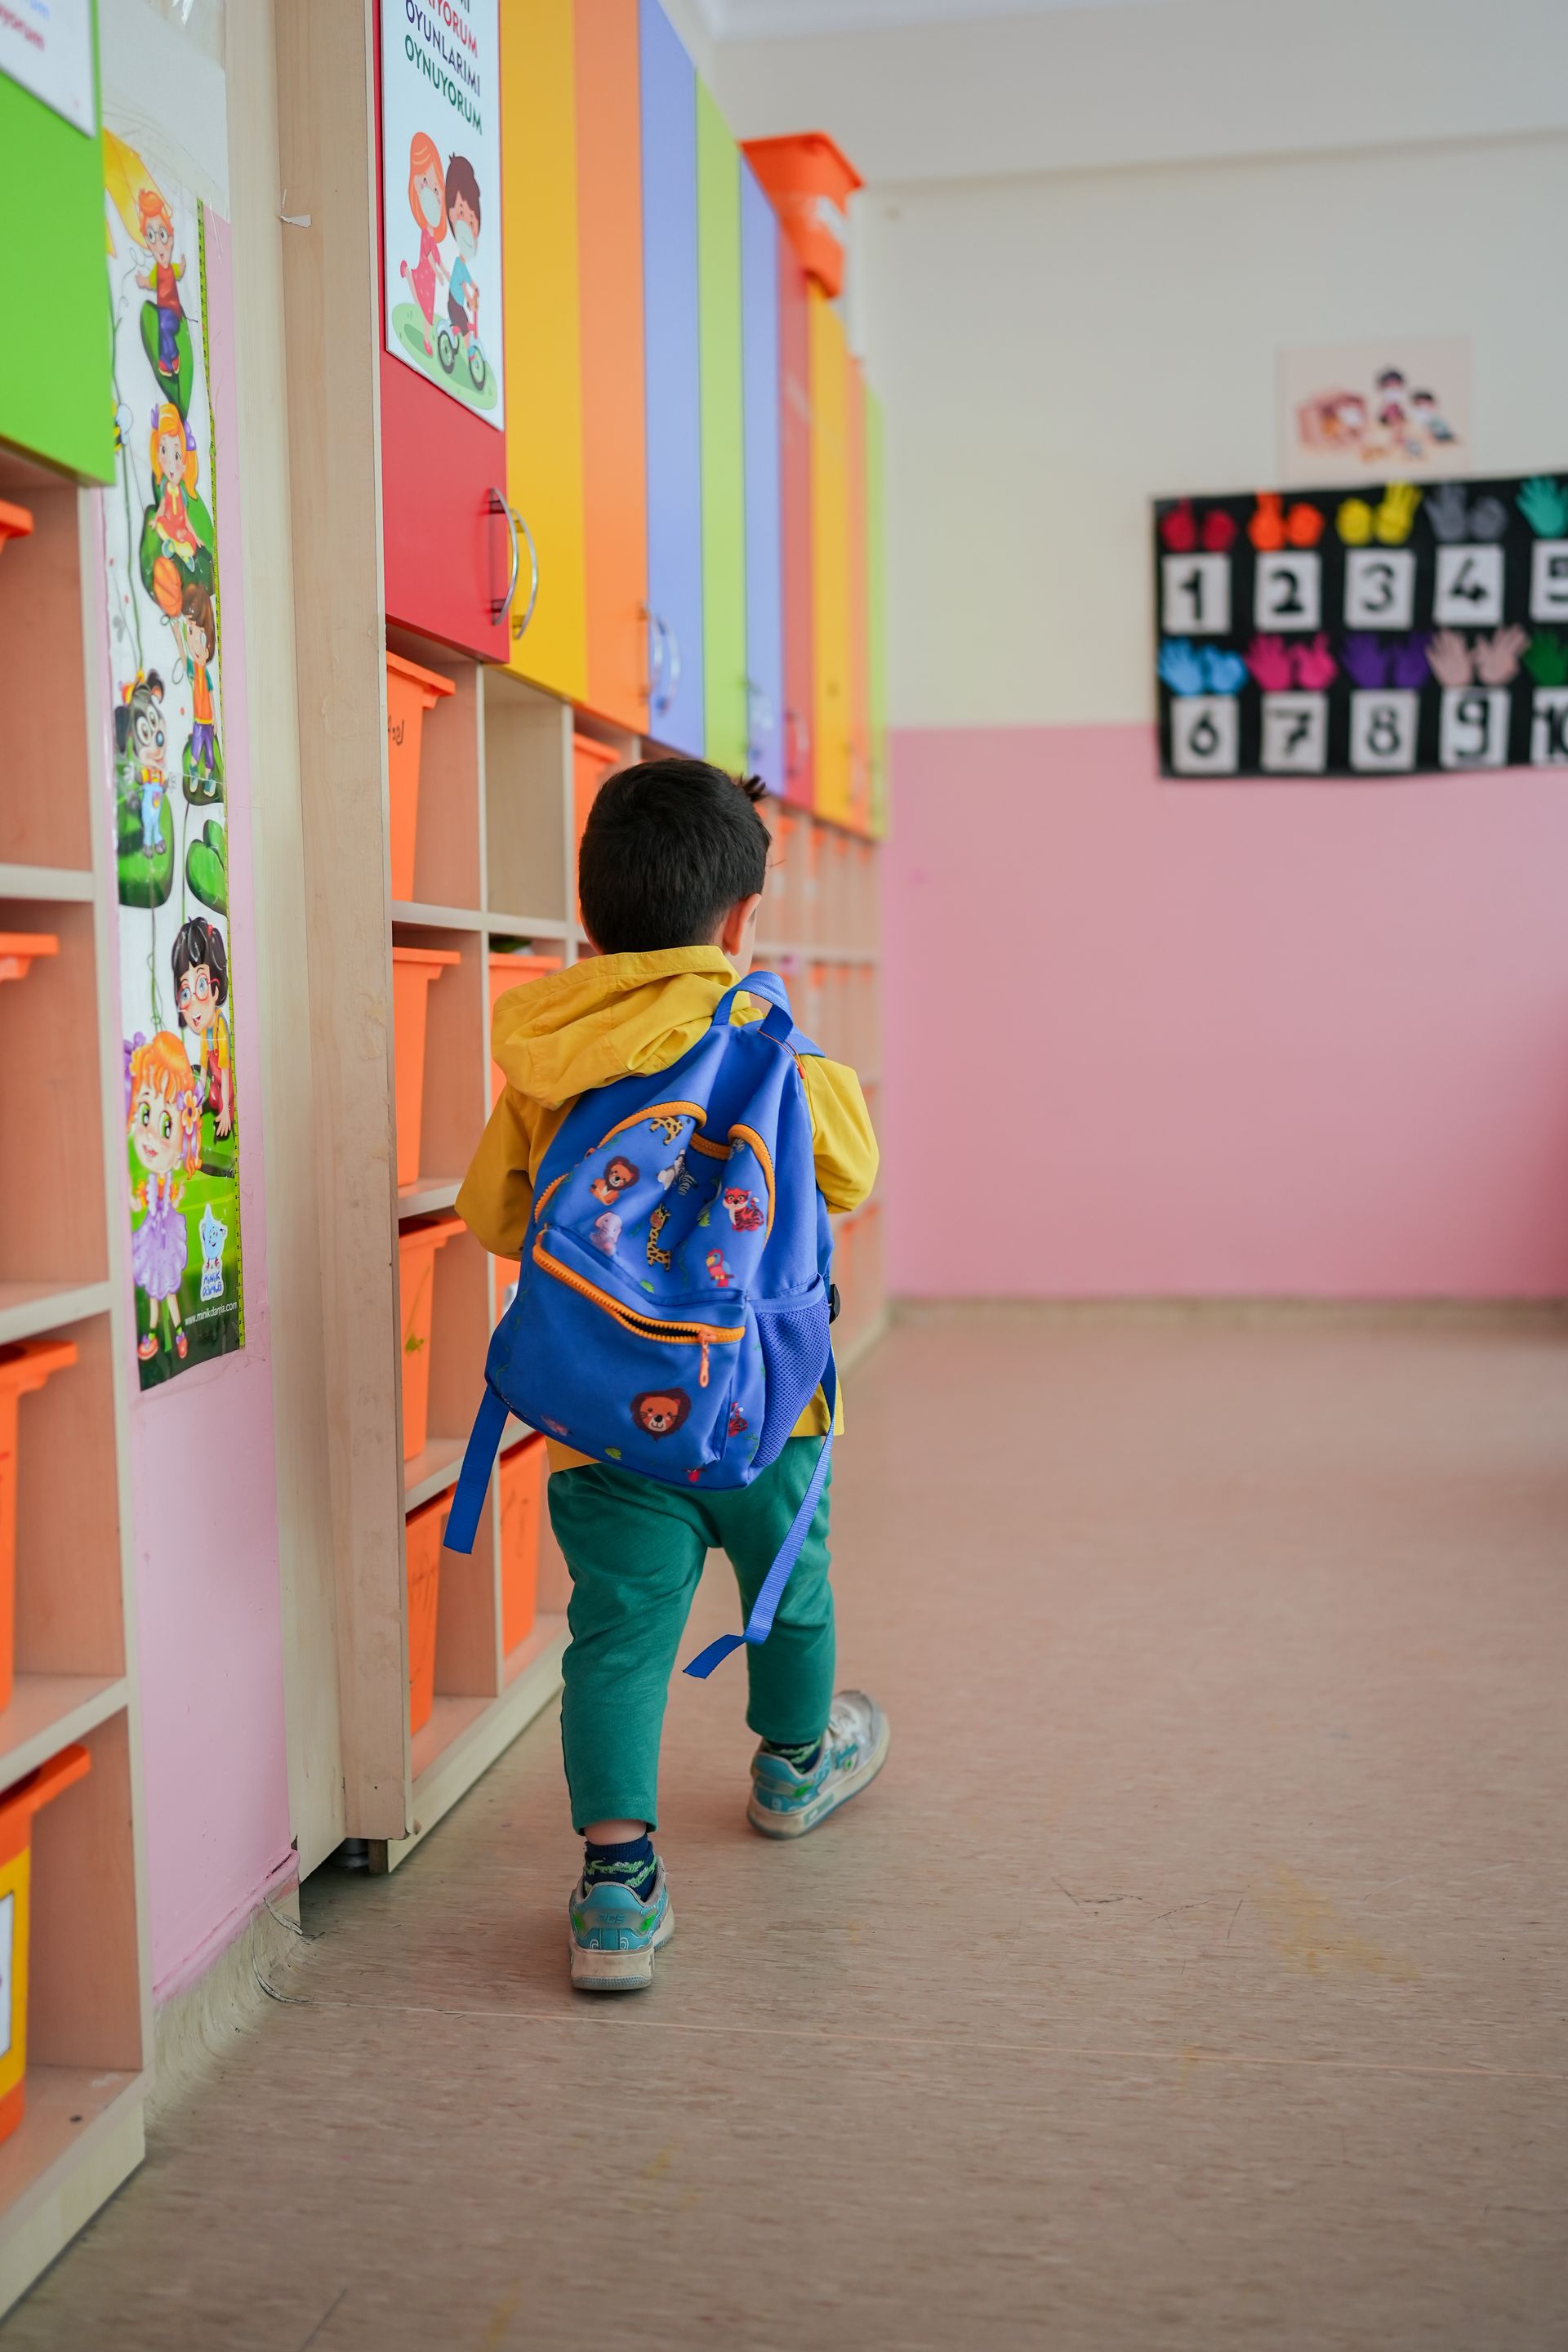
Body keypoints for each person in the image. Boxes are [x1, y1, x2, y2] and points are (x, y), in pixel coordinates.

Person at [456, 759, 886, 1993]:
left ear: (592, 917)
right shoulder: (774, 1042)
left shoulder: (552, 1050)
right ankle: (797, 1764)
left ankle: (616, 1890)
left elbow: (497, 1214)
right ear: (741, 918)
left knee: (617, 1643)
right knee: (790, 1598)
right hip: (768, 1412)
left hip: (602, 1425)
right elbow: (850, 1173)